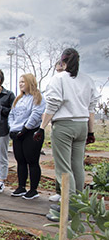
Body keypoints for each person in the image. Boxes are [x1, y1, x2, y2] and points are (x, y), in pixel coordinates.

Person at [37, 48, 99, 222]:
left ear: (63, 62)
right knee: (77, 165)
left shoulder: (59, 79)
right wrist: (91, 130)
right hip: (82, 125)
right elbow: (92, 107)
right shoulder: (87, 79)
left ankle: (68, 208)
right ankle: (77, 203)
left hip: (64, 125)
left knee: (63, 167)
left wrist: (42, 127)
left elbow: (53, 103)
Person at [8, 74, 46, 200]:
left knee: (32, 160)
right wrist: (12, 128)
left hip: (31, 132)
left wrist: (25, 129)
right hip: (17, 132)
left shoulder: (37, 97)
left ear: (30, 82)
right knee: (20, 160)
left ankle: (33, 189)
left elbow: (36, 114)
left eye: (23, 82)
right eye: (19, 82)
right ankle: (21, 186)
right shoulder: (19, 98)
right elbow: (11, 114)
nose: (21, 84)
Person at [0, 70, 15, 194]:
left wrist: (0, 109)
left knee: (2, 156)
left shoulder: (9, 94)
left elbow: (13, 111)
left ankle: (1, 180)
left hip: (2, 128)